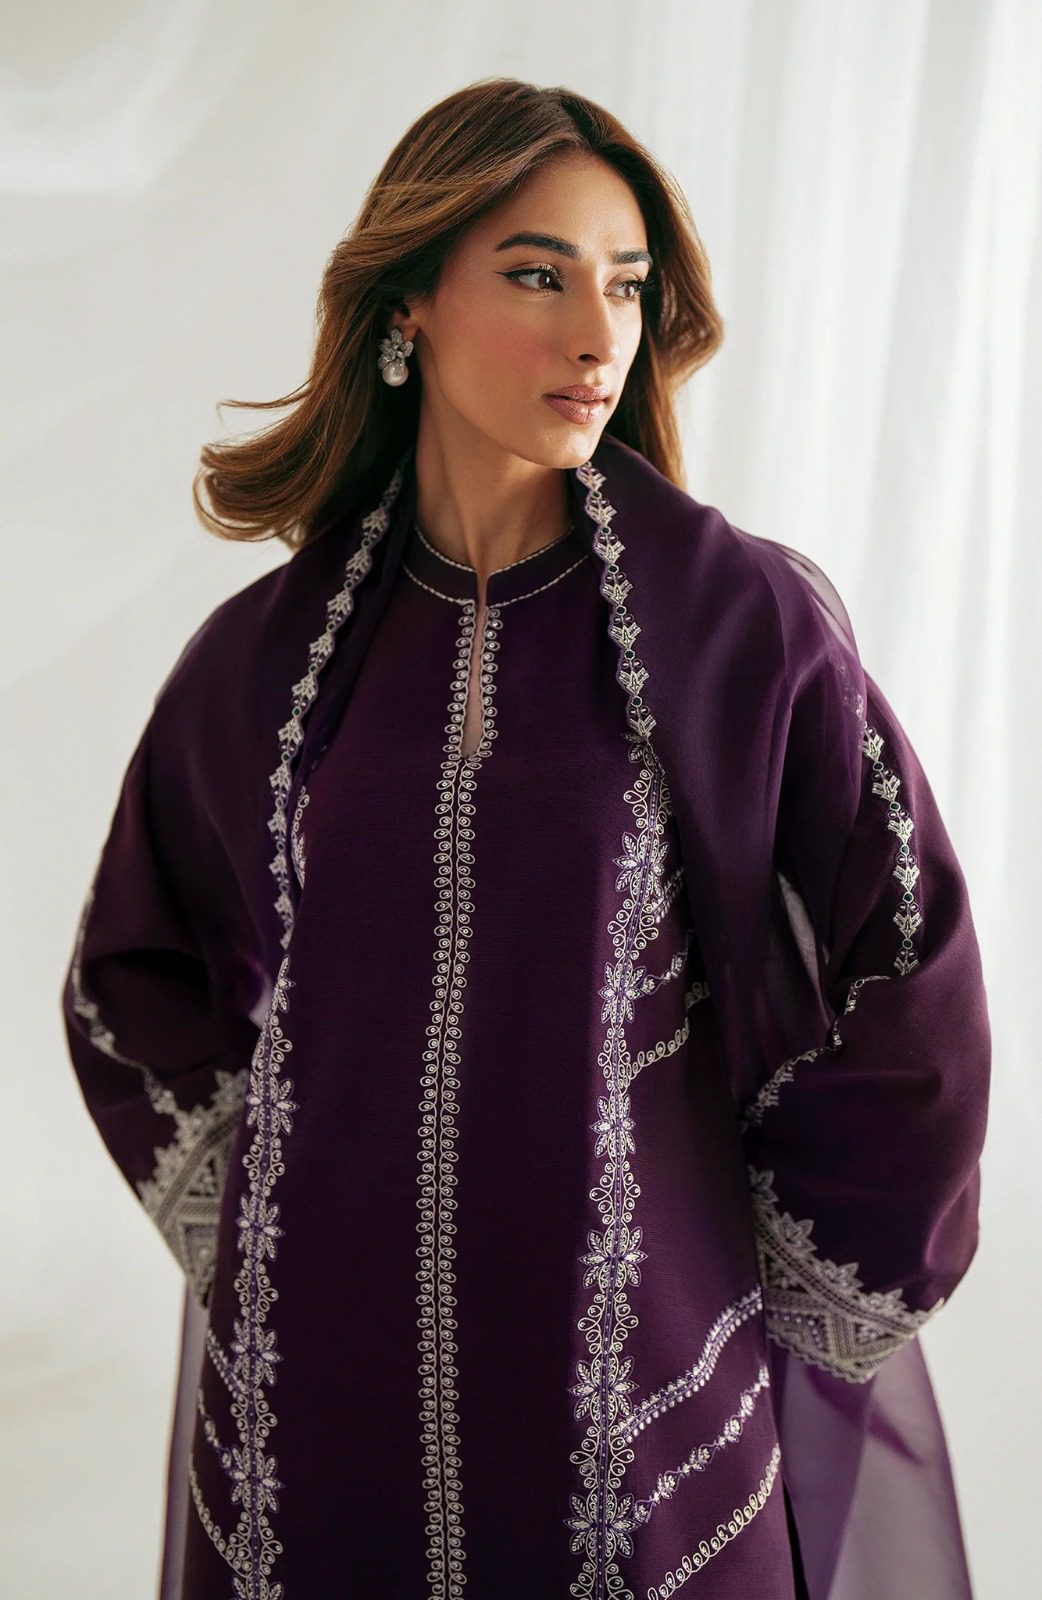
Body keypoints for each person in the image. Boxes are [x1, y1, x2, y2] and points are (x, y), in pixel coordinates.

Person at [60, 77, 991, 1600]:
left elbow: (912, 975)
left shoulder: (739, 630)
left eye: (624, 285)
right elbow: (135, 970)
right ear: (408, 302)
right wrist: (272, 1218)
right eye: (538, 275)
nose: (595, 335)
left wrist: (755, 1261)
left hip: (642, 1418)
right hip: (321, 1409)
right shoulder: (269, 658)